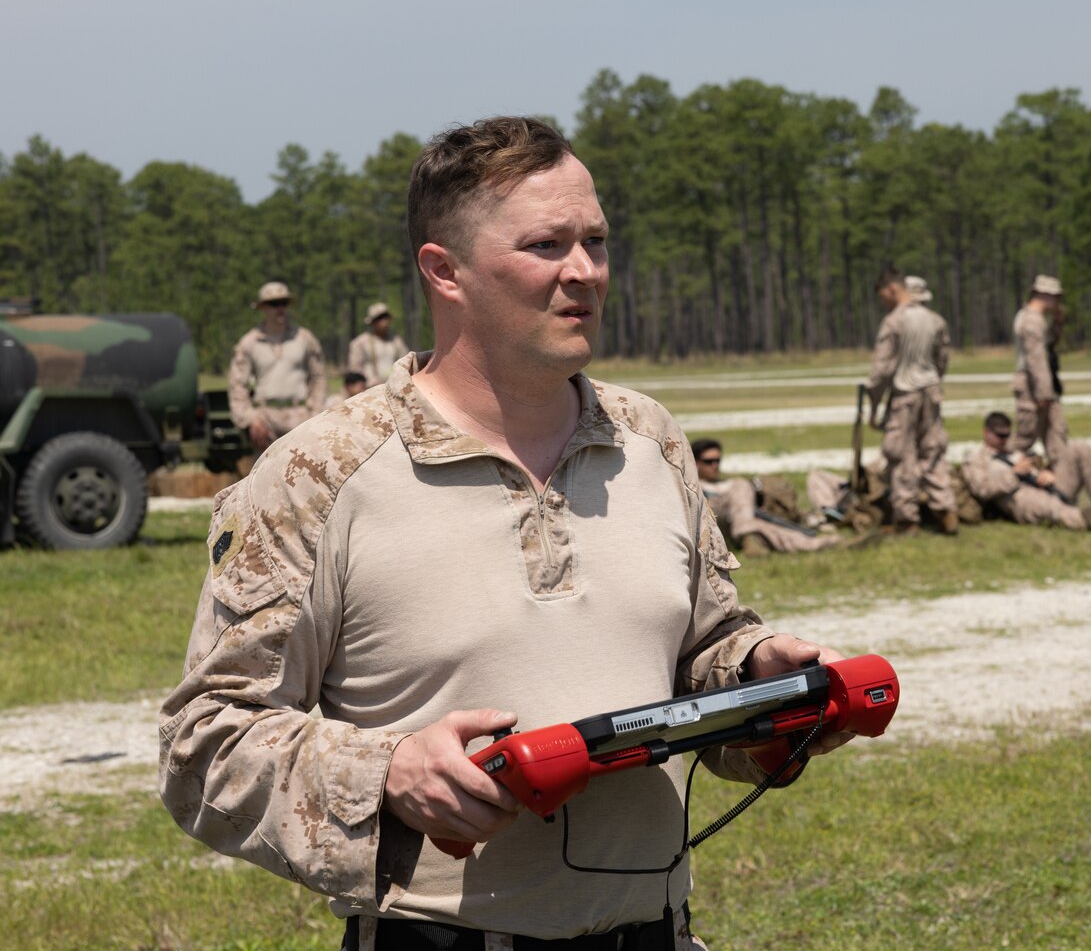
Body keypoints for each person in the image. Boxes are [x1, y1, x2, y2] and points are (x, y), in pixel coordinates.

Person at [159, 116, 853, 951]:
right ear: (443, 271)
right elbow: (206, 744)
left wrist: (755, 680)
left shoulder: (649, 440)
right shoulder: (322, 473)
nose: (586, 272)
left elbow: (698, 651)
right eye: (546, 245)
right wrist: (389, 775)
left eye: (596, 241)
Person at [863, 268, 958, 535]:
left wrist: (873, 402)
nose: (884, 302)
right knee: (934, 452)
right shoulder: (935, 320)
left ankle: (906, 518)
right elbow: (942, 359)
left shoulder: (894, 321)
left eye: (884, 296)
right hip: (930, 392)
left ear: (892, 289)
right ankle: (945, 510)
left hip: (904, 395)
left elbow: (881, 369)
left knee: (901, 456)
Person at [961, 411, 1091, 531]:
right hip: (1017, 496)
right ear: (986, 432)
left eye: (1007, 434)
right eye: (999, 435)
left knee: (1079, 447)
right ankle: (1087, 520)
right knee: (1048, 506)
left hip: (1046, 485)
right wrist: (1014, 474)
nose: (1004, 439)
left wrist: (1046, 472)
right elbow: (981, 489)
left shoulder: (1013, 451)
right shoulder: (976, 459)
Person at [692, 438, 843, 556]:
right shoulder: (692, 486)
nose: (715, 465)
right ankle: (747, 534)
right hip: (713, 522)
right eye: (709, 462)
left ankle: (822, 544)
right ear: (696, 463)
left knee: (768, 529)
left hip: (739, 524)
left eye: (717, 461)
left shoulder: (726, 482)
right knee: (741, 485)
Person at [226, 280, 327, 452]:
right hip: (266, 420)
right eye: (274, 304)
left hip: (300, 417)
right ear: (263, 308)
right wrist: (250, 419)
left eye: (284, 303)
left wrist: (315, 413)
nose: (280, 308)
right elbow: (237, 385)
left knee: (305, 474)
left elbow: (318, 377)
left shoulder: (304, 338)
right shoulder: (249, 343)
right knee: (264, 476)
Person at [1010, 274, 1069, 465]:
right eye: (1055, 297)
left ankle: (1061, 477)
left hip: (1040, 383)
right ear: (1044, 295)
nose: (1057, 302)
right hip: (1033, 384)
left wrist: (1058, 324)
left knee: (1056, 432)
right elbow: (1036, 359)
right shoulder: (1032, 321)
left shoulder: (1035, 319)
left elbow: (1048, 345)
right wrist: (1044, 392)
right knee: (1026, 434)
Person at [348, 302, 411, 388]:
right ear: (372, 322)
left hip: (395, 387)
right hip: (369, 390)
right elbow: (355, 369)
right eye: (379, 318)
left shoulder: (396, 341)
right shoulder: (360, 343)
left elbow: (406, 362)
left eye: (385, 317)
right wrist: (369, 380)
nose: (384, 321)